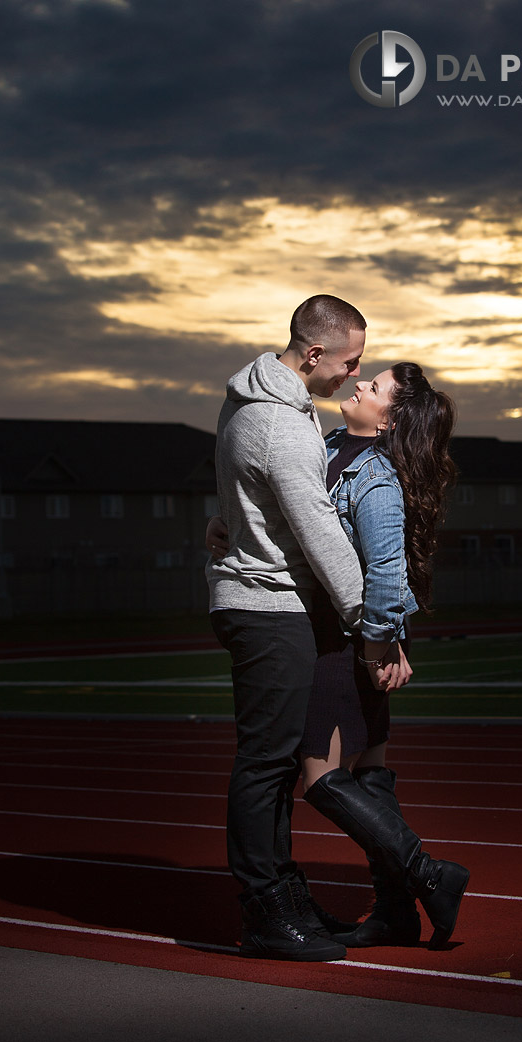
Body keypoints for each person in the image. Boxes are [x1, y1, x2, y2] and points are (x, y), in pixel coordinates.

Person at [206, 294, 372, 963]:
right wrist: (372, 622)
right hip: (267, 606)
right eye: (349, 360)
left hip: (267, 601)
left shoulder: (272, 405)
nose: (353, 374)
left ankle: (284, 895)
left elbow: (245, 496)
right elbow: (318, 530)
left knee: (275, 768)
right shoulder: (278, 422)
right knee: (265, 765)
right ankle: (266, 912)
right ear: (312, 354)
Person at [300, 362, 470, 950]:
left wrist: (378, 644)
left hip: (349, 641)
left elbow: (386, 572)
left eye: (372, 387)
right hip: (357, 637)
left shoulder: (375, 476)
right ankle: (397, 913)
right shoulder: (329, 447)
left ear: (390, 416)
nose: (358, 387)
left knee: (322, 780)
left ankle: (429, 875)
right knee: (371, 778)